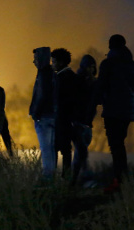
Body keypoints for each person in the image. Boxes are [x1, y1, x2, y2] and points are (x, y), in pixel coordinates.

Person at [97, 34, 134, 192]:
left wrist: (94, 103)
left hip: (113, 110)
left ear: (110, 46)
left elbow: (100, 86)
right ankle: (123, 180)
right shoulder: (133, 65)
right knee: (119, 145)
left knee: (115, 146)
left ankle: (119, 181)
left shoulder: (108, 64)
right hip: (128, 112)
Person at [29, 47, 56, 179]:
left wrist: (35, 113)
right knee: (50, 148)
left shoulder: (43, 74)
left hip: (43, 117)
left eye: (35, 59)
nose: (33, 62)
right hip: (52, 115)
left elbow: (41, 94)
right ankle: (51, 175)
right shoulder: (52, 73)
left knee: (45, 148)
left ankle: (48, 177)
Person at [51, 48, 78, 178]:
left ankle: (59, 176)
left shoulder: (62, 77)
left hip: (62, 118)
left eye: (54, 62)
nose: (52, 64)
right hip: (66, 118)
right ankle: (65, 177)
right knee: (65, 149)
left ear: (61, 62)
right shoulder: (71, 76)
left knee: (58, 148)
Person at [72, 55, 98, 185]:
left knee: (80, 153)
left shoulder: (93, 83)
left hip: (87, 123)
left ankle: (74, 181)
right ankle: (84, 178)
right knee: (82, 152)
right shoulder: (78, 82)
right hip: (78, 122)